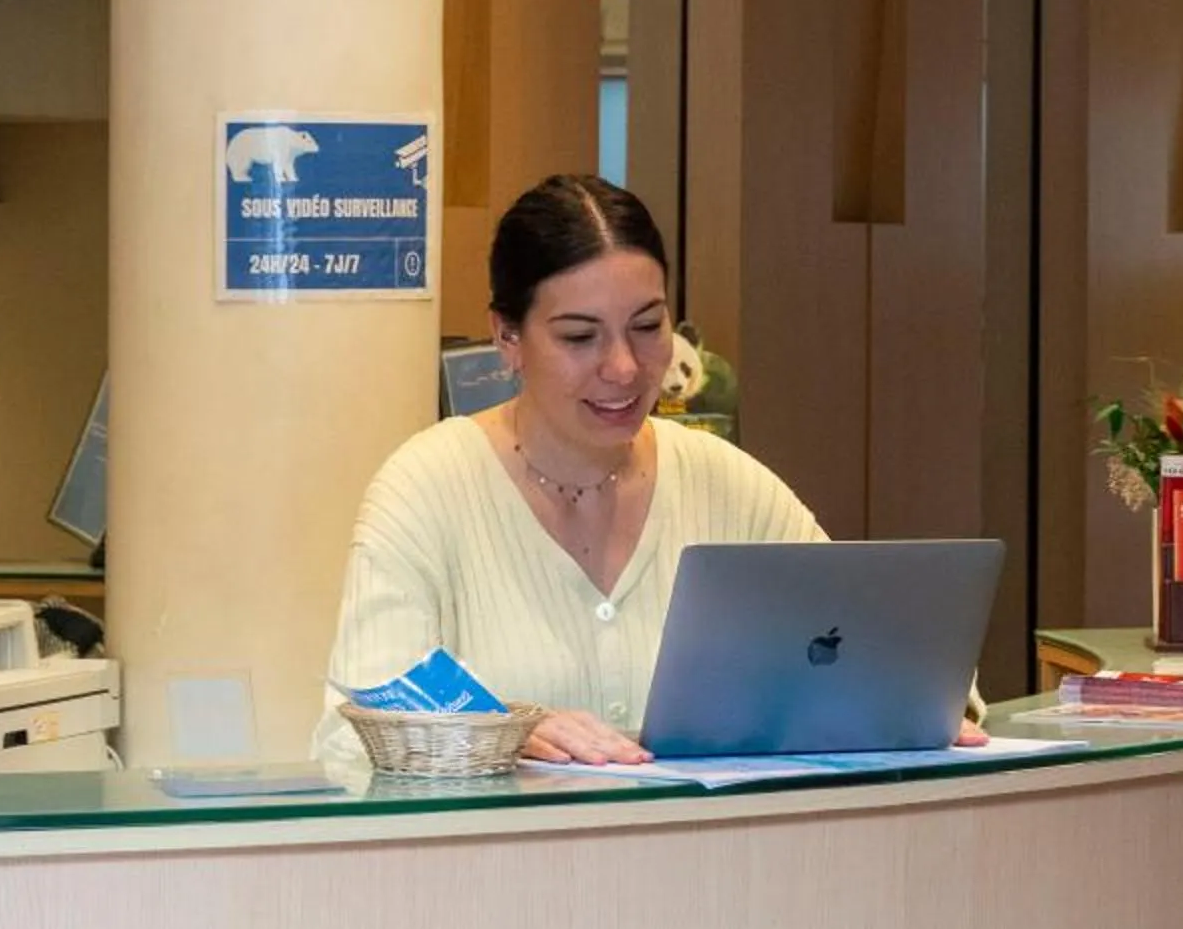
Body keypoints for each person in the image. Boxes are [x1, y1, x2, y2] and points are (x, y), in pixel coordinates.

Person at [313, 173, 981, 770]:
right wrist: (510, 731)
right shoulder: (428, 487)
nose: (625, 368)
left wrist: (909, 703)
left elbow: (863, 642)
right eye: (580, 337)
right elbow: (356, 736)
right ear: (507, 337)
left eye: (647, 327)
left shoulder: (723, 483)